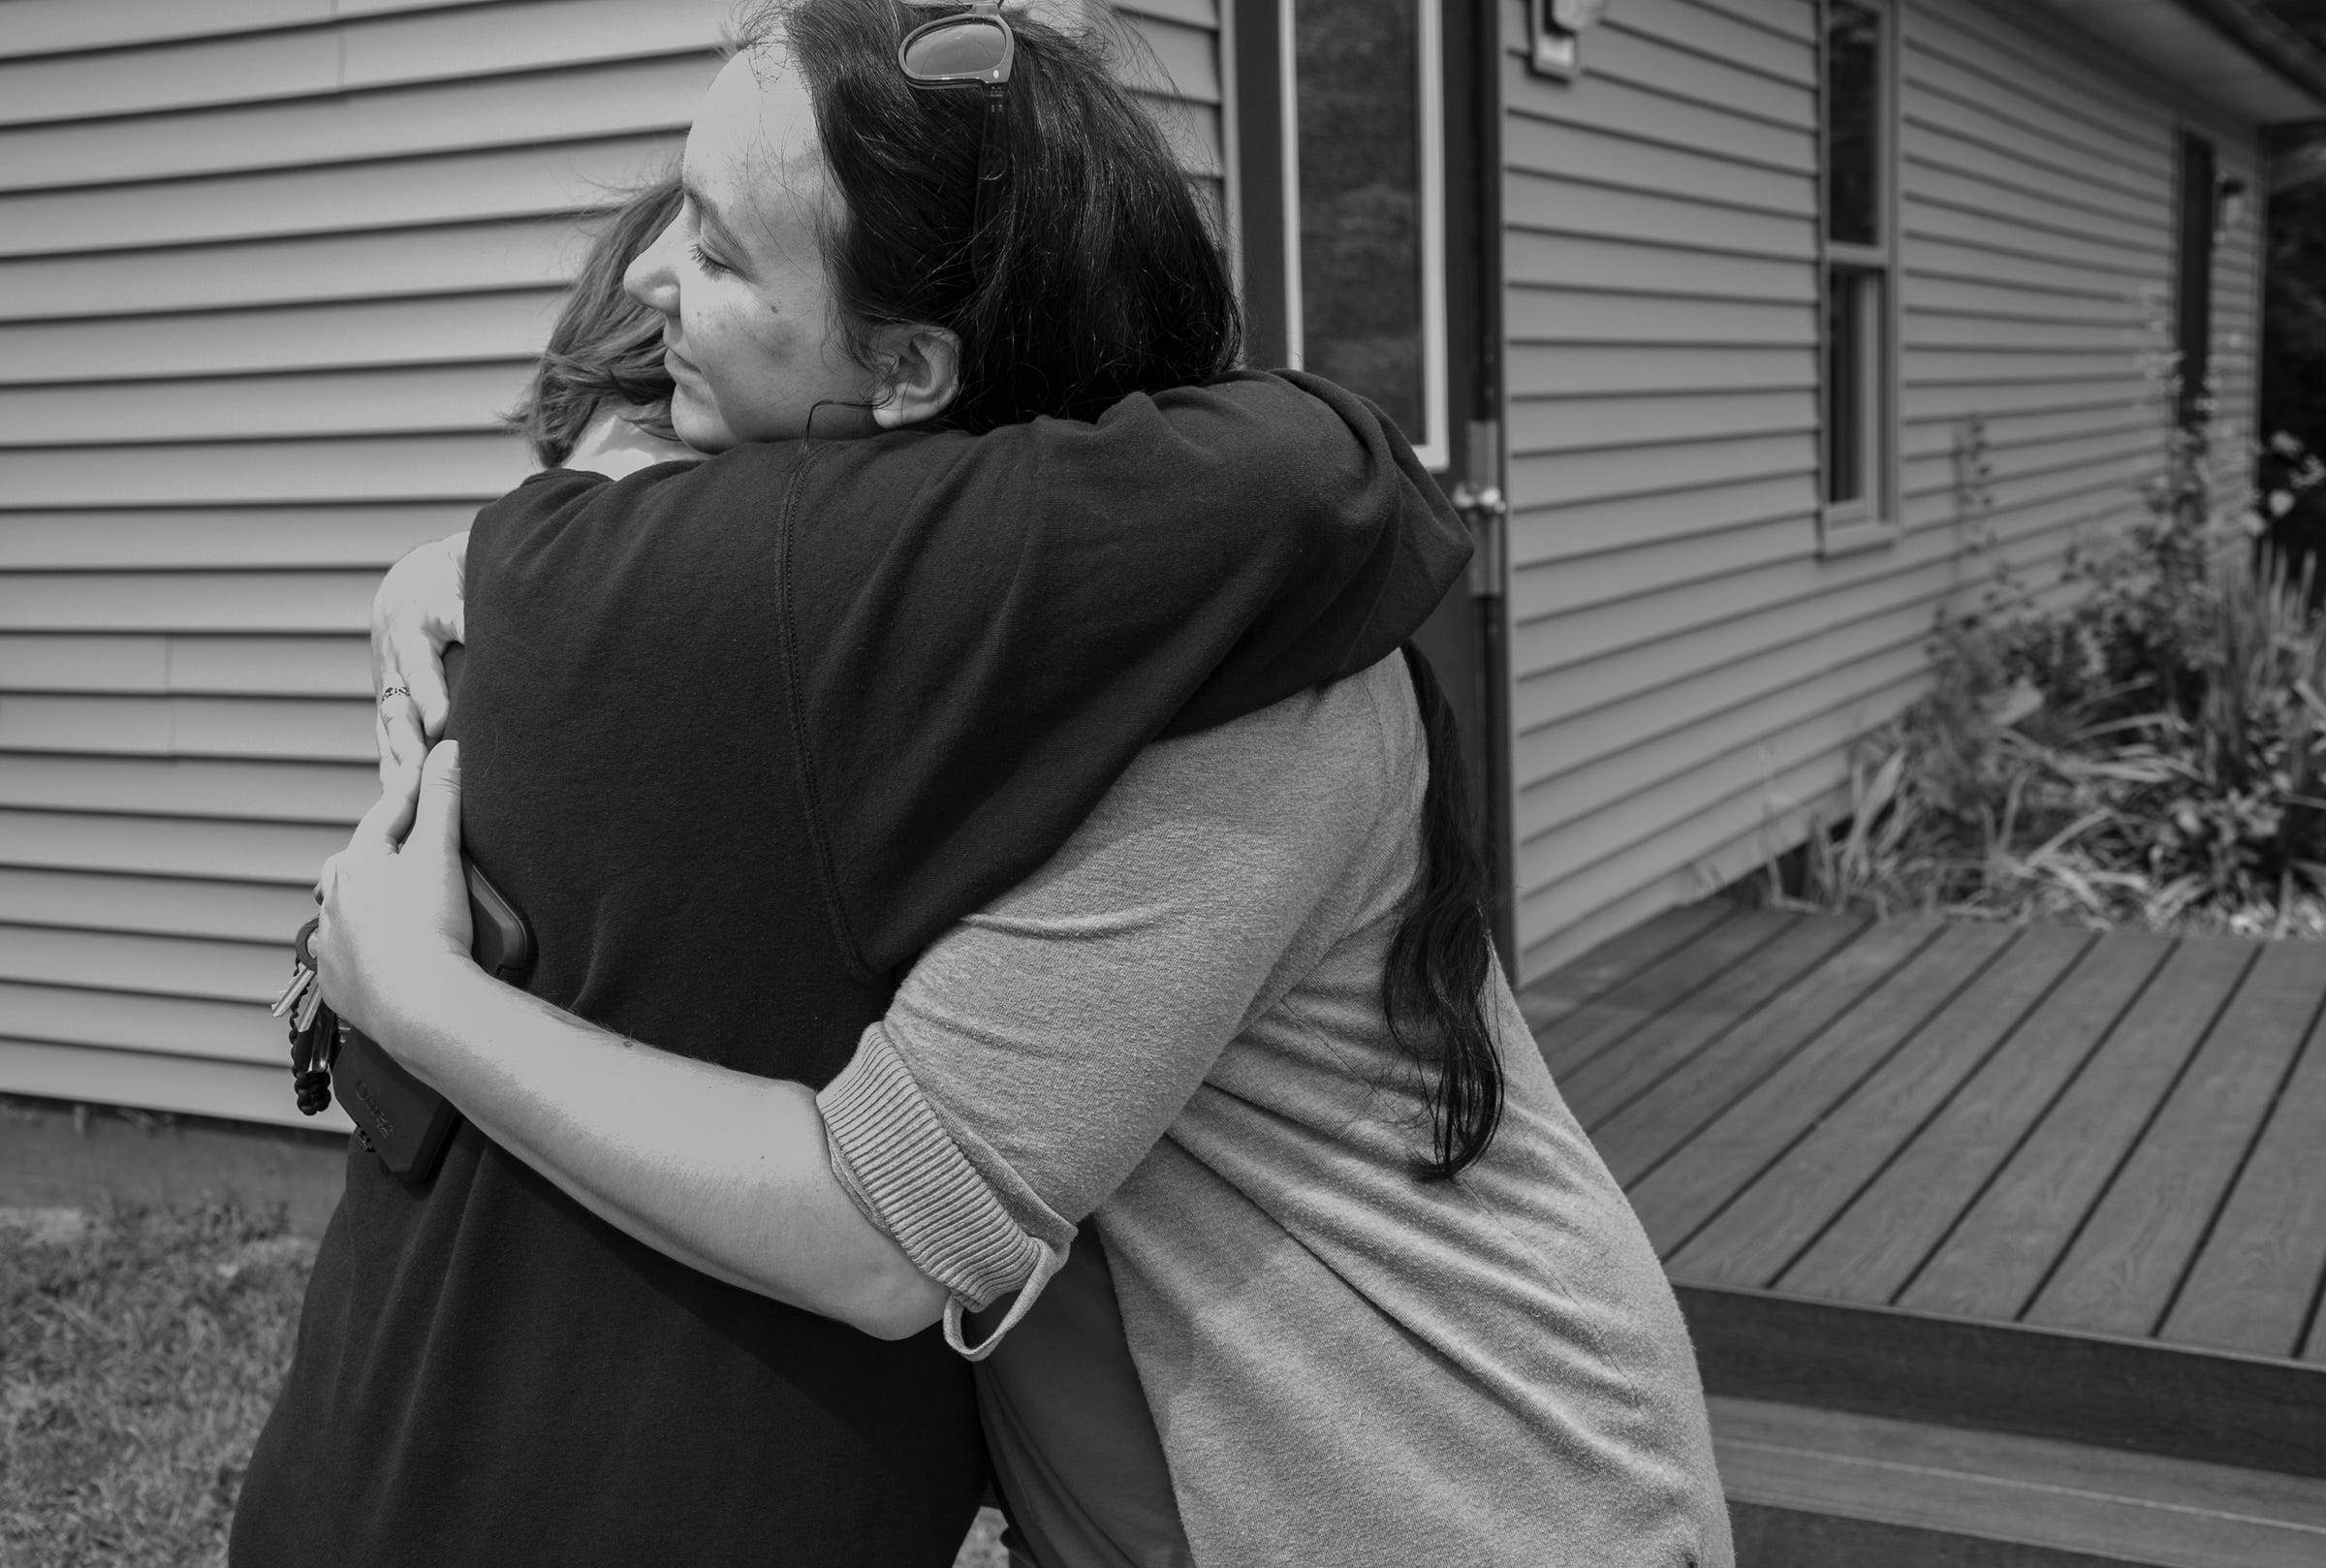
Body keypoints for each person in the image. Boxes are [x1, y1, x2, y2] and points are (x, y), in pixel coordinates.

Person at [303, 3, 1737, 1565]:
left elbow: (886, 1227)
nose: (654, 283)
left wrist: (416, 995)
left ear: (913, 371)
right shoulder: (954, 611)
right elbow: (688, 555)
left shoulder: (1237, 694)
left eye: (715, 256)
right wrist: (497, 560)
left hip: (1461, 1487)